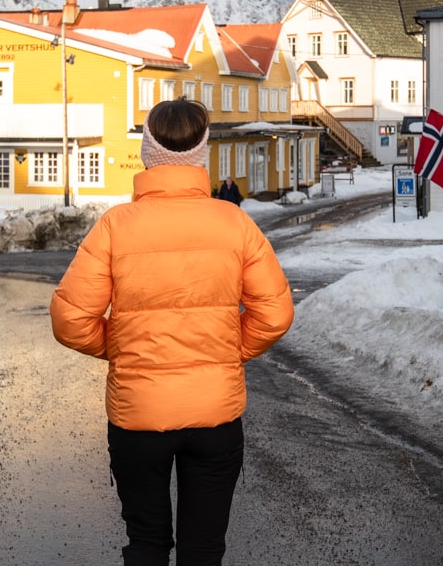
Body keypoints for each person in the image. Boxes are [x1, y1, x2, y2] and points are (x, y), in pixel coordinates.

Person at [50, 98, 294, 566]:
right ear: (202, 154)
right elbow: (276, 313)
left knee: (146, 544)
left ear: (147, 151)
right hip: (215, 416)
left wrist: (123, 349)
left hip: (138, 416)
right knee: (203, 551)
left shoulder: (115, 226)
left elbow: (70, 320)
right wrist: (229, 350)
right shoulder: (235, 222)